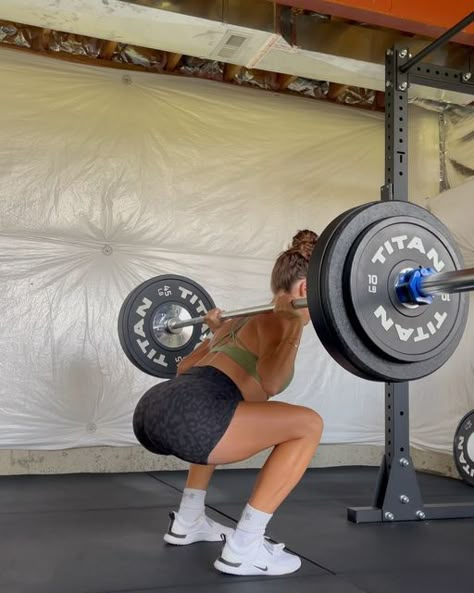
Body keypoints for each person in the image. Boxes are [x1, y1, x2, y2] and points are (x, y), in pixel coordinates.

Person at [133, 230, 324, 576]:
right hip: (195, 413)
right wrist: (293, 324)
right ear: (306, 290)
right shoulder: (281, 319)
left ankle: (189, 520)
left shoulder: (238, 320)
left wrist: (214, 332)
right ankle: (245, 545)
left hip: (152, 409)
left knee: (218, 405)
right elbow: (272, 382)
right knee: (309, 424)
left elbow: (183, 368)